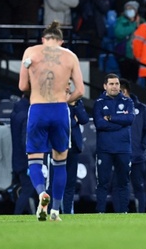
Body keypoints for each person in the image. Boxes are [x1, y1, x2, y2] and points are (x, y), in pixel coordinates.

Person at [18, 21, 85, 222]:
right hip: (59, 109)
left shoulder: (31, 52)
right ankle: (55, 210)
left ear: (43, 39)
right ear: (61, 41)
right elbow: (80, 90)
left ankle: (41, 193)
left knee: (35, 160)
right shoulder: (70, 56)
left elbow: (22, 86)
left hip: (38, 108)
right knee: (60, 162)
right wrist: (64, 100)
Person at [93, 73, 135, 213]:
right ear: (105, 86)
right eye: (111, 84)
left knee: (123, 182)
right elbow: (99, 124)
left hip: (123, 148)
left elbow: (129, 119)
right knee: (103, 182)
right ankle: (100, 212)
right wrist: (119, 122)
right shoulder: (99, 102)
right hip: (104, 148)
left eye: (116, 84)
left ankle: (123, 211)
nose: (115, 86)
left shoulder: (128, 101)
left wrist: (110, 118)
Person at [120, 78, 146, 213]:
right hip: (120, 155)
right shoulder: (114, 107)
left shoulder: (141, 108)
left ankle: (141, 213)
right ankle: (122, 212)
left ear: (125, 91)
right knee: (121, 186)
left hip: (138, 157)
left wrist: (142, 146)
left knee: (139, 186)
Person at [64, 80, 89, 214]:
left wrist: (74, 105)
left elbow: (84, 119)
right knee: (55, 180)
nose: (68, 86)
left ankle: (68, 211)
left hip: (73, 146)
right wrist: (73, 118)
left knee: (70, 182)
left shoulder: (76, 100)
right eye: (66, 84)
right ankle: (52, 209)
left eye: (69, 84)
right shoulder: (55, 99)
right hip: (58, 146)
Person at [10, 92, 36, 214]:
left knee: (27, 189)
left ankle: (30, 214)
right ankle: (16, 215)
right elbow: (25, 140)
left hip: (17, 158)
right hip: (26, 160)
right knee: (28, 189)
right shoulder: (27, 114)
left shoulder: (16, 112)